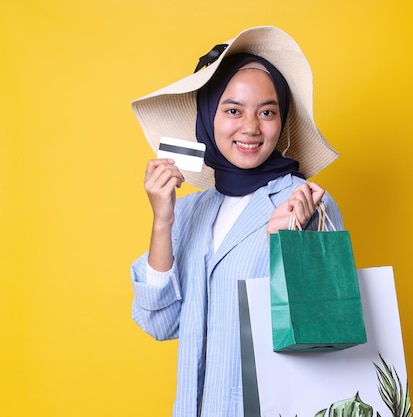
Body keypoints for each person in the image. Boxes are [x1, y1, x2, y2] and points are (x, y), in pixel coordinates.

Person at [129, 26, 343, 417]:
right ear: (209, 115)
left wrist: (286, 248)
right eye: (233, 110)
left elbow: (326, 330)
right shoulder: (192, 211)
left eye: (267, 111)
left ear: (282, 122)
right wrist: (162, 221)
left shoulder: (305, 202)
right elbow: (160, 324)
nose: (250, 127)